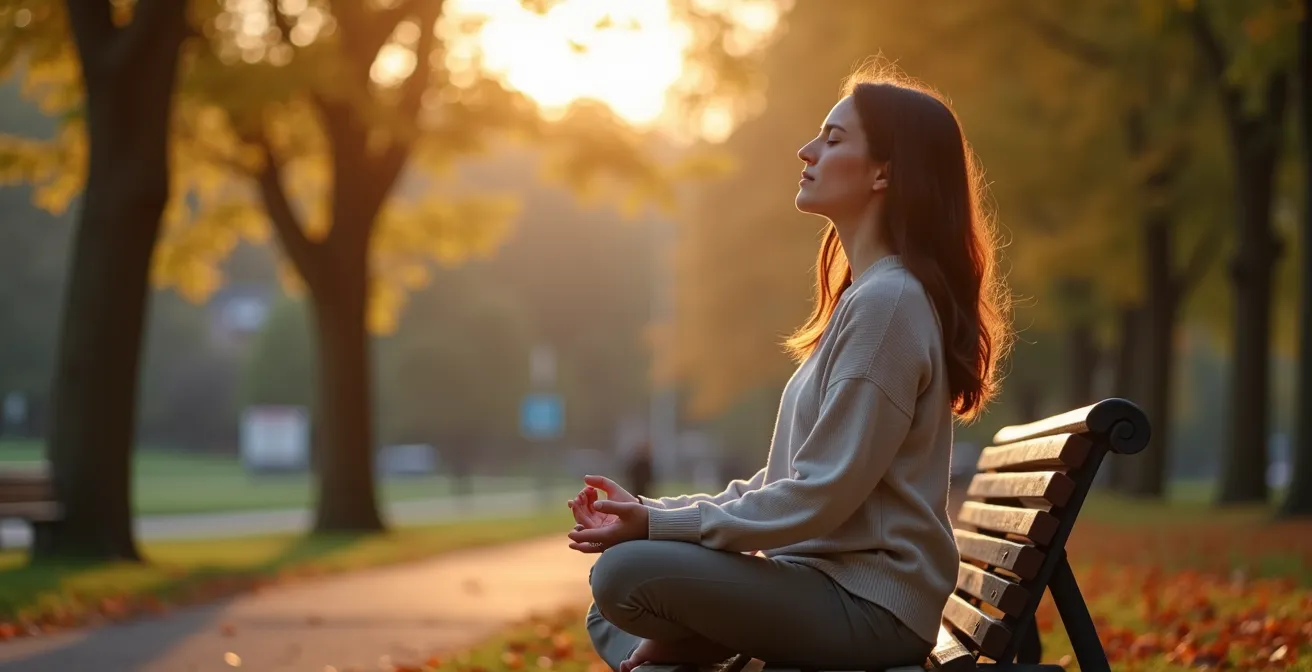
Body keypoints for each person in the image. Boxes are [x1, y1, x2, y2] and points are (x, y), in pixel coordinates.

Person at [565, 64, 1011, 672]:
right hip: (818, 586)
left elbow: (818, 497)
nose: (806, 150)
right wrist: (653, 513)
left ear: (885, 171)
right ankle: (672, 657)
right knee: (611, 593)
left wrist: (656, 529)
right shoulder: (870, 298)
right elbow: (793, 482)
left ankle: (673, 658)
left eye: (833, 139)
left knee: (626, 575)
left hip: (868, 608)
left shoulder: (889, 305)